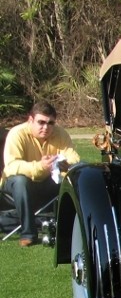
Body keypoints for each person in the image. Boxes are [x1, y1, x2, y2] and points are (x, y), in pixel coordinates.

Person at [2, 102, 80, 247]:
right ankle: (28, 234)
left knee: (74, 176)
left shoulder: (60, 133)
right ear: (30, 120)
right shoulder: (17, 133)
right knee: (20, 181)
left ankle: (71, 227)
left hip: (46, 182)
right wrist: (40, 166)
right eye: (41, 122)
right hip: (16, 185)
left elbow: (74, 157)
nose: (46, 127)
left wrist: (66, 164)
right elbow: (12, 166)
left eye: (50, 123)